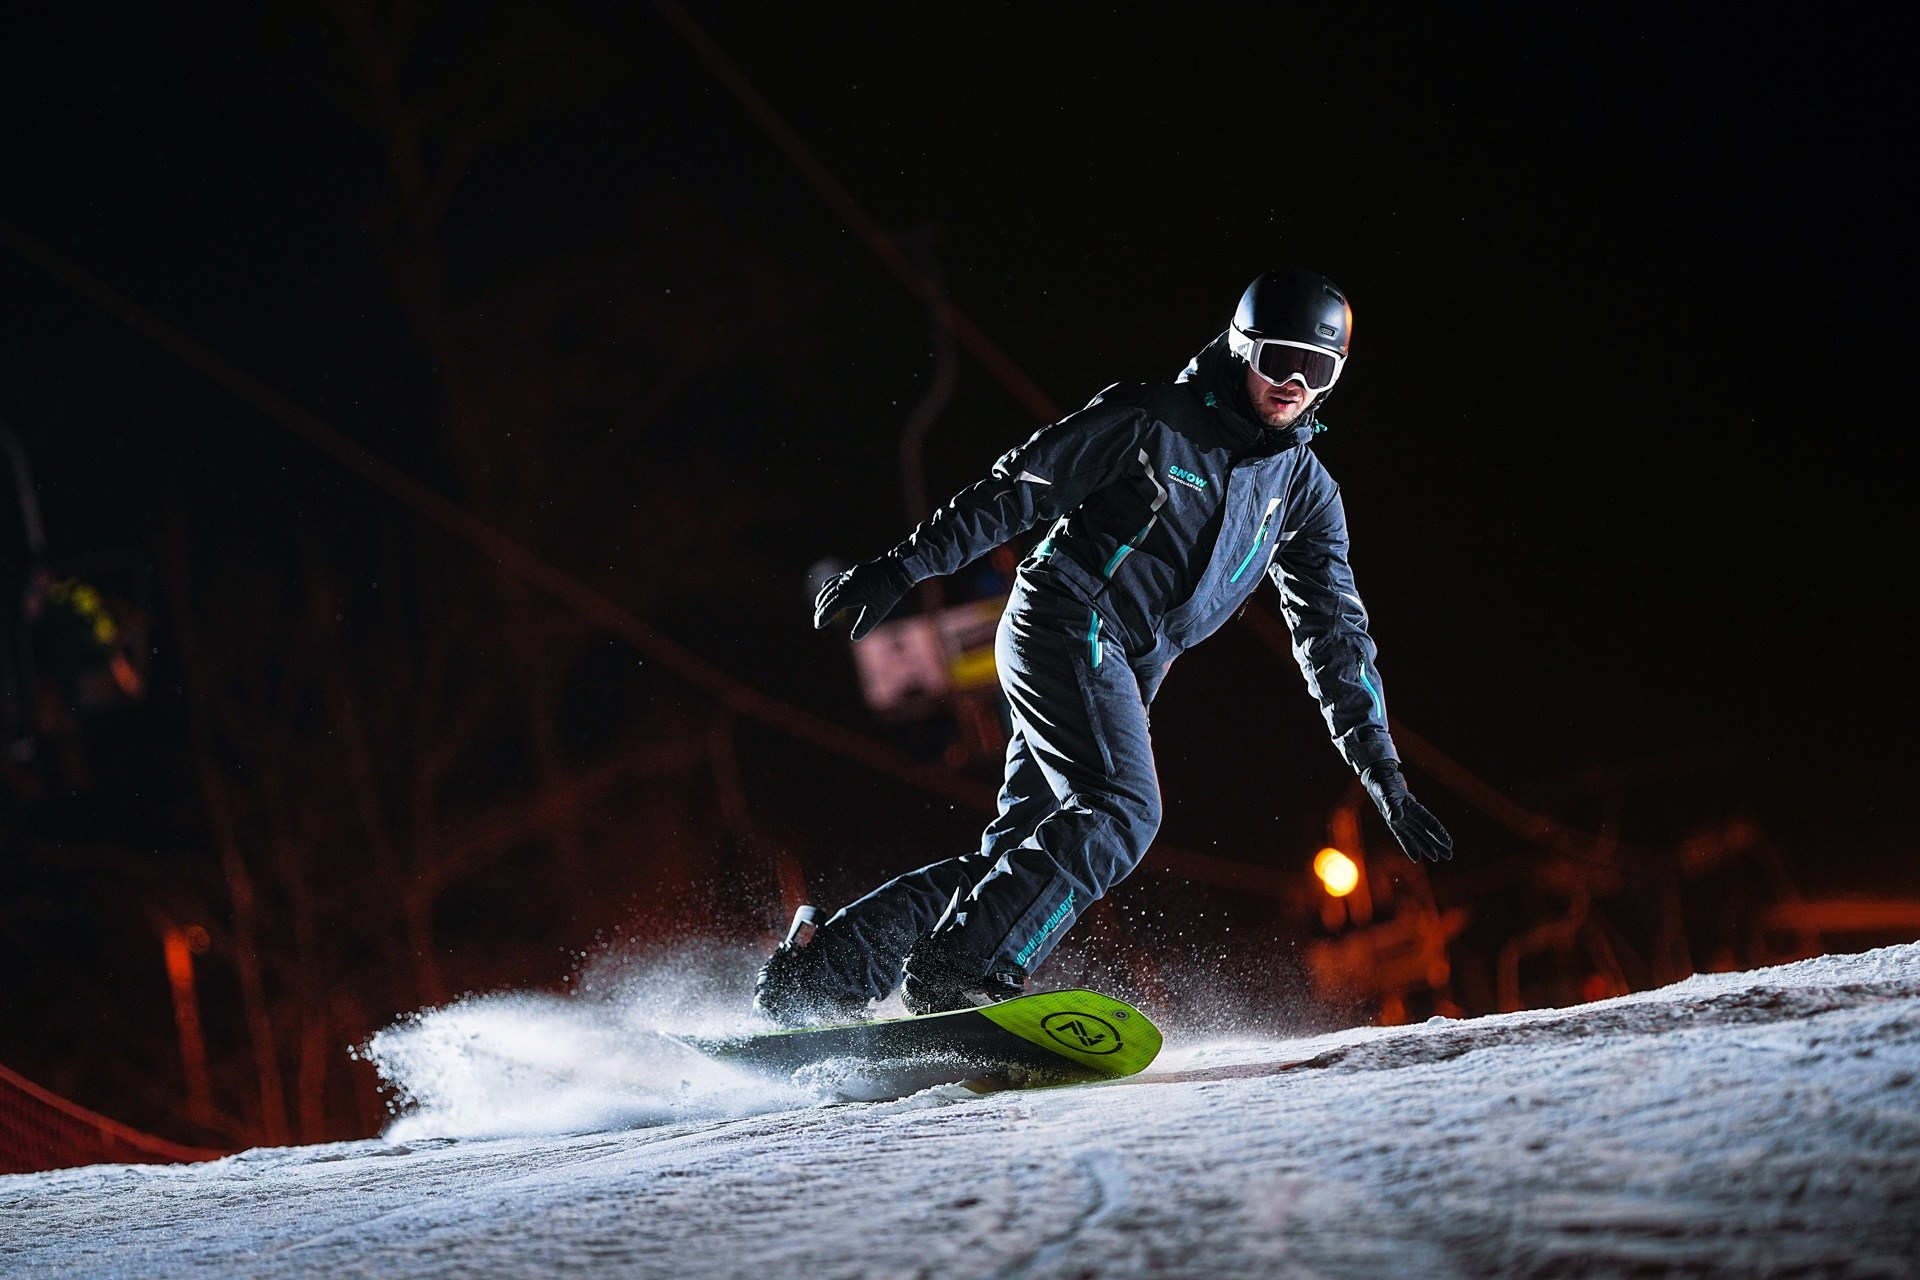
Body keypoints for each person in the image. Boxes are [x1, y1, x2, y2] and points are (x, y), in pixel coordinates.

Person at [756, 268, 1453, 1025]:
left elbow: (1335, 633)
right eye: (1276, 358)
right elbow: (1020, 486)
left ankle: (823, 975)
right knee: (1122, 808)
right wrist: (900, 568)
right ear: (1239, 347)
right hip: (1066, 620)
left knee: (1015, 861)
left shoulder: (1306, 492)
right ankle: (963, 969)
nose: (1291, 383)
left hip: (1120, 662)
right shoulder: (1156, 418)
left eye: (1316, 369)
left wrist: (1379, 767)